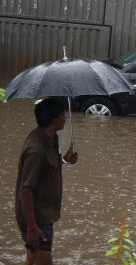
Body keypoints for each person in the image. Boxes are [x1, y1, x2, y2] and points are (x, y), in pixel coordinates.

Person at [15, 98, 78, 264]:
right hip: (36, 217)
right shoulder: (36, 150)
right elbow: (25, 190)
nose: (65, 118)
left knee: (32, 256)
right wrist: (32, 227)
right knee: (44, 260)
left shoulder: (51, 138)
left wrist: (64, 160)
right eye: (63, 115)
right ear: (54, 119)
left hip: (45, 211)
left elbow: (48, 170)